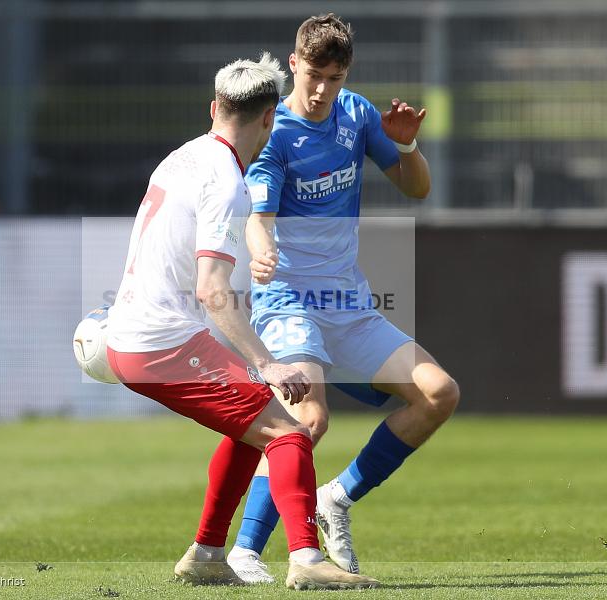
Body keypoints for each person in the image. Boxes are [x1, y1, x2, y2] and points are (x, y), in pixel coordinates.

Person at [105, 52, 379, 590]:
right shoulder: (229, 183)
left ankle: (208, 554)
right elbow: (212, 290)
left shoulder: (181, 157)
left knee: (252, 426)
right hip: (162, 342)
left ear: (214, 108)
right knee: (290, 433)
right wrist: (268, 363)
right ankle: (306, 559)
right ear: (270, 118)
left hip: (132, 333)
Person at [225, 15, 460, 583]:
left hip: (347, 305)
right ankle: (245, 551)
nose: (322, 90)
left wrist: (406, 145)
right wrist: (261, 251)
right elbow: (258, 217)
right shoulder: (274, 130)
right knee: (308, 418)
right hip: (287, 300)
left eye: (334, 78)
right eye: (313, 76)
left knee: (439, 393)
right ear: (293, 65)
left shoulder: (355, 114)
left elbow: (417, 187)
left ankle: (337, 497)